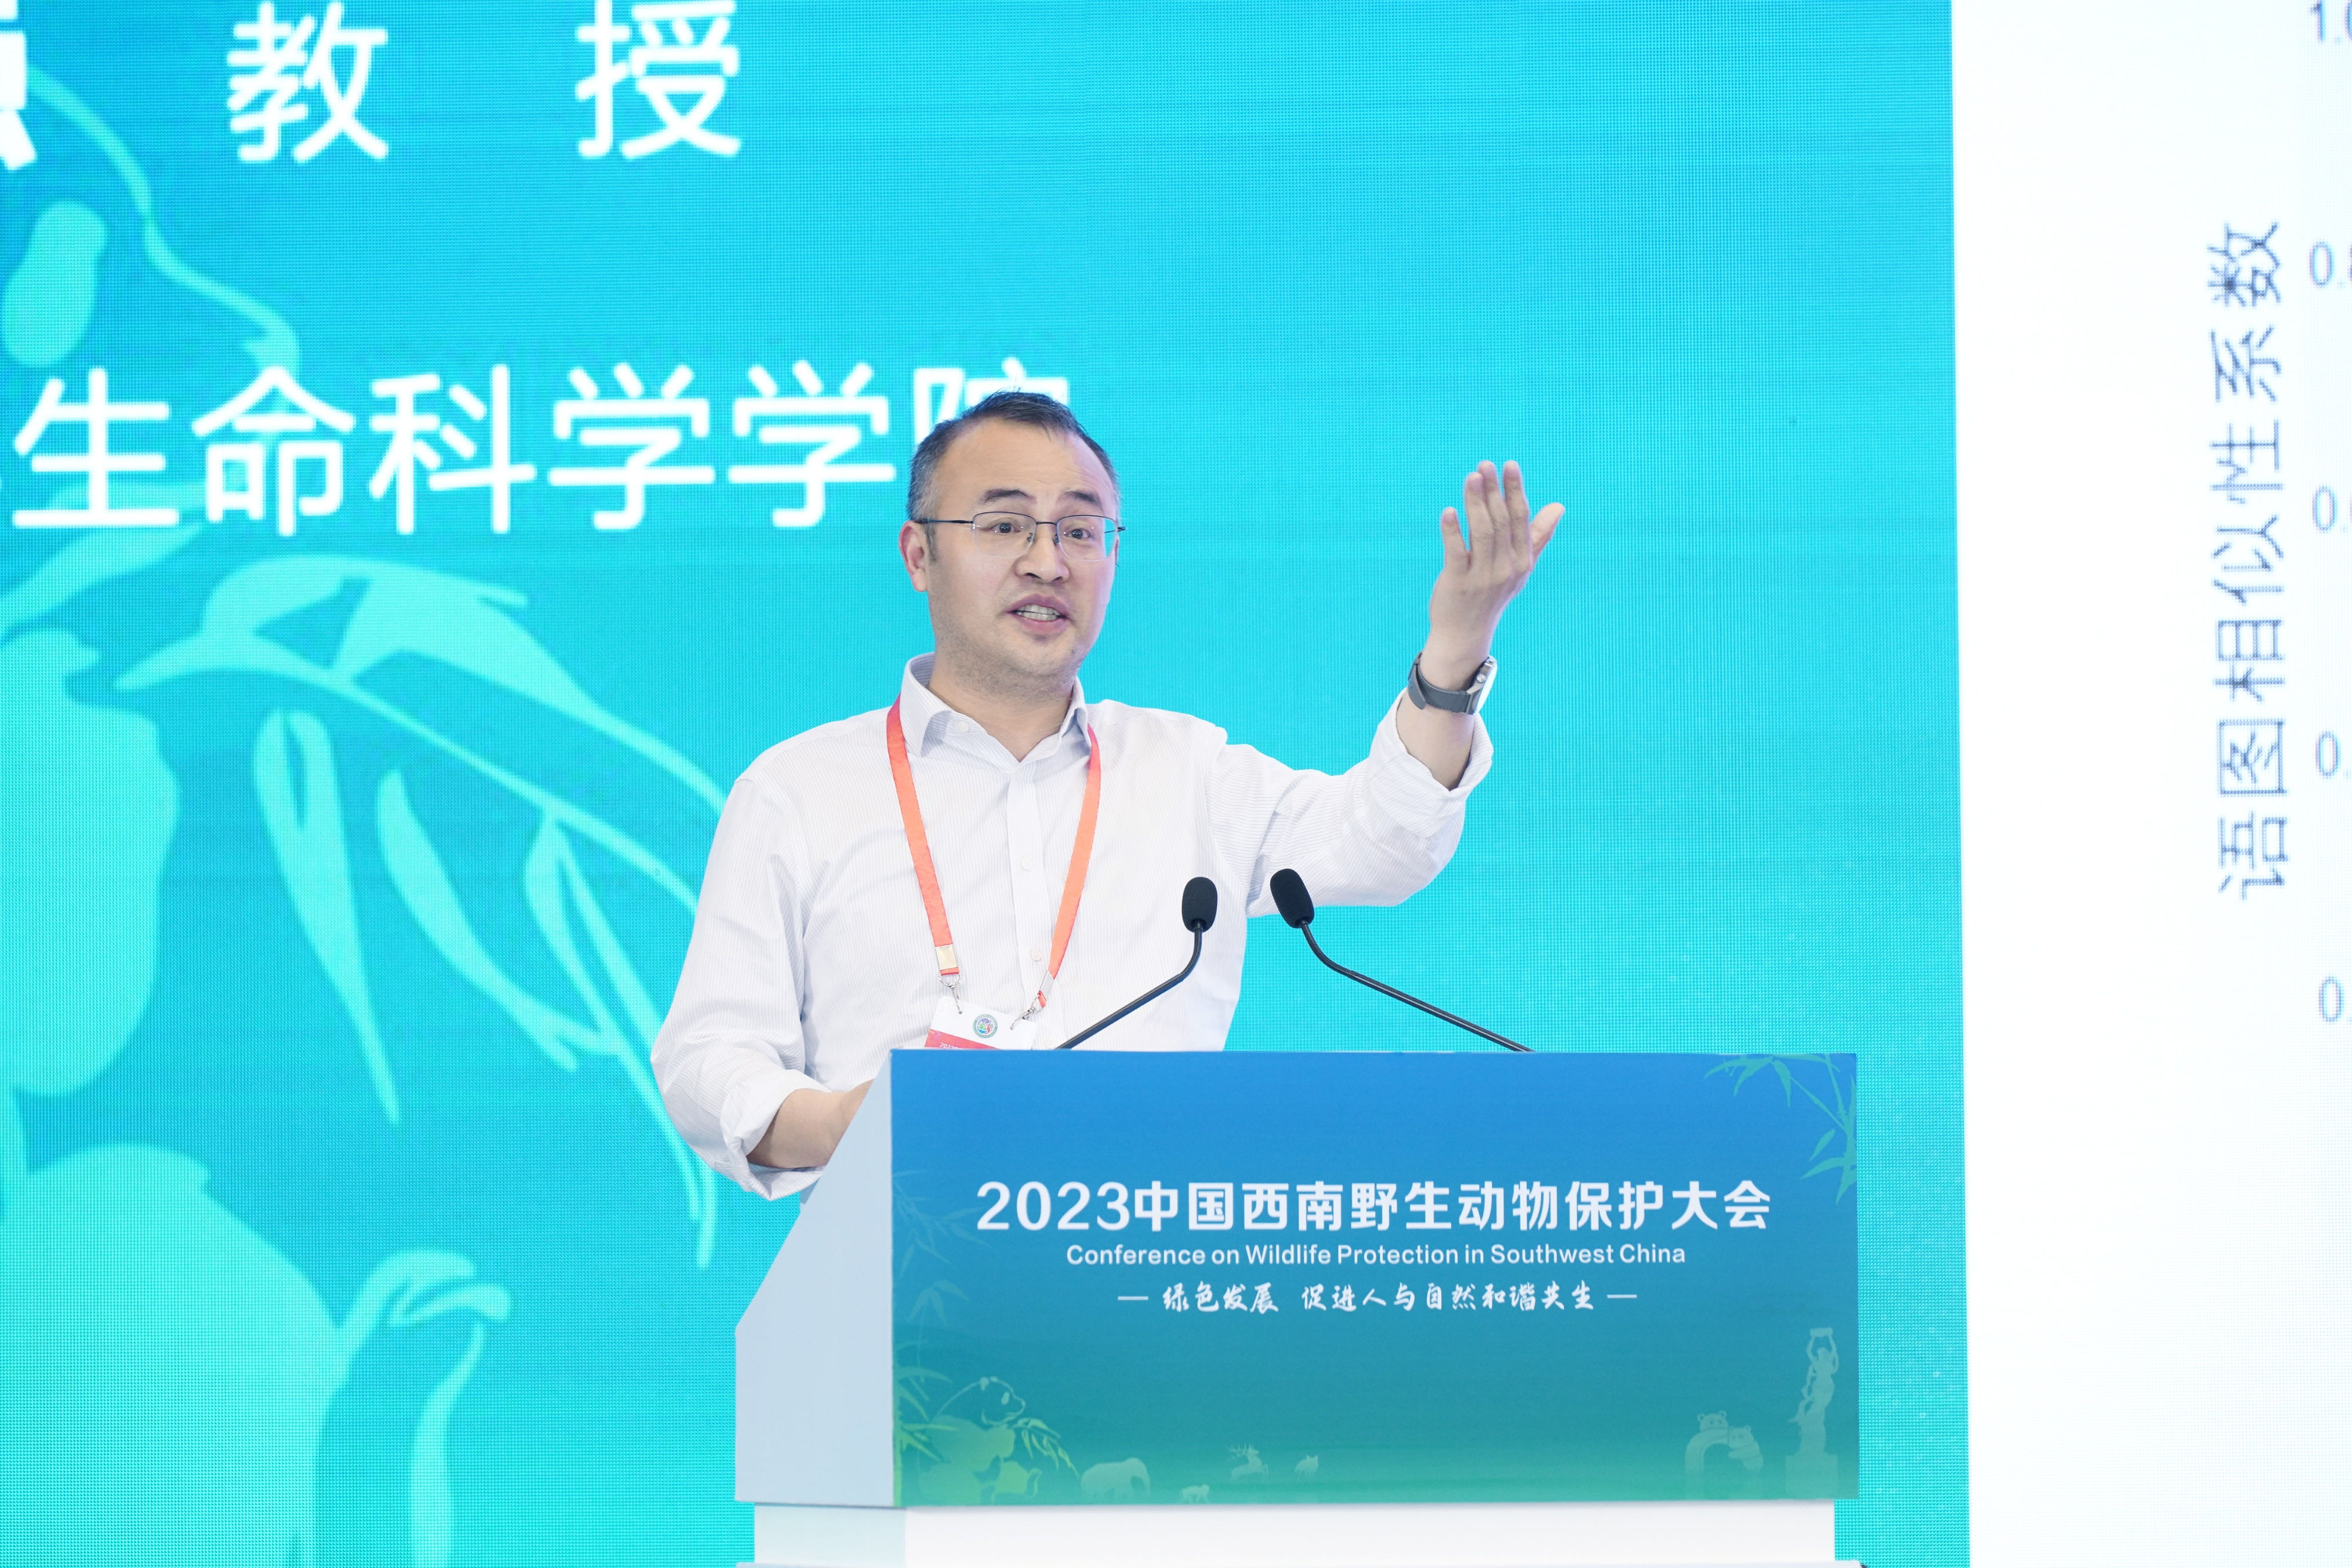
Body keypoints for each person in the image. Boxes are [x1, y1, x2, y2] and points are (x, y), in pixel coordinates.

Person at [652, 392, 1559, 1198]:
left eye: (1081, 532)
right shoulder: (799, 791)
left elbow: (1388, 840)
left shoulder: (1192, 772)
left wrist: (1458, 646)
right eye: (1005, 526)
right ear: (919, 554)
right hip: (900, 1280)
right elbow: (708, 1059)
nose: (1048, 562)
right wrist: (851, 1122)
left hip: (1149, 1281)